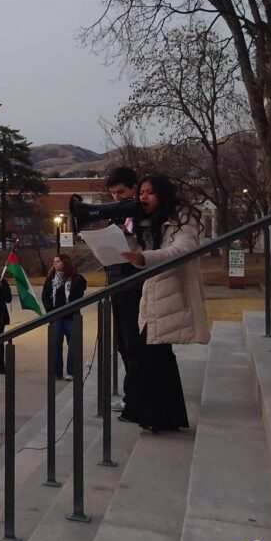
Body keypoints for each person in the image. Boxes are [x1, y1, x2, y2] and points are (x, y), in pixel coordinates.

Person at [120, 175, 206, 432]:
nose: (143, 197)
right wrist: (126, 235)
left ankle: (151, 415)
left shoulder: (183, 217)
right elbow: (137, 254)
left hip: (173, 290)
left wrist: (144, 257)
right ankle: (166, 417)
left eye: (150, 192)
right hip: (155, 291)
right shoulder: (151, 222)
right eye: (142, 193)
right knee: (159, 354)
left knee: (149, 352)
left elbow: (181, 250)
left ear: (163, 194)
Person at [106, 166, 142, 414]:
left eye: (121, 192)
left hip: (134, 284)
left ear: (134, 189)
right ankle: (132, 395)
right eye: (113, 194)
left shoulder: (137, 215)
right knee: (121, 342)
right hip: (118, 282)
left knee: (132, 342)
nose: (116, 198)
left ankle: (136, 397)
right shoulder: (118, 216)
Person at [43, 254, 87, 381]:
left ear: (65, 263)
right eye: (54, 261)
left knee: (73, 344)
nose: (55, 264)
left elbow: (78, 295)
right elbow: (45, 296)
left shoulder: (76, 279)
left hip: (71, 316)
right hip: (56, 316)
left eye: (58, 261)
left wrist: (70, 308)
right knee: (55, 344)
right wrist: (50, 310)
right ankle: (56, 372)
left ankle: (72, 371)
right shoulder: (51, 279)